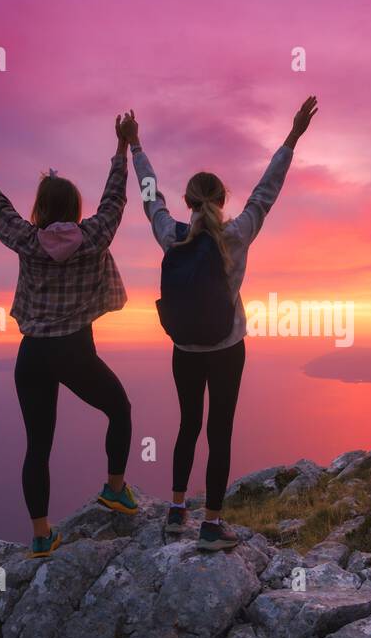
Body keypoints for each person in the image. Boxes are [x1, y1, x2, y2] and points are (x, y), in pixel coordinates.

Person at [121, 97, 318, 551]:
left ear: (188, 201)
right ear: (222, 200)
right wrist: (292, 137)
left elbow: (151, 197)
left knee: (187, 425)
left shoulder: (172, 236)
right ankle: (211, 524)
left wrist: (135, 147)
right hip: (227, 348)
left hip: (185, 350)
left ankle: (175, 512)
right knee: (219, 431)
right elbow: (267, 192)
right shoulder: (237, 234)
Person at [0, 117, 140, 559]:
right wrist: (122, 148)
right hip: (74, 351)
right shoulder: (94, 236)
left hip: (31, 355)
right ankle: (115, 489)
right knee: (119, 409)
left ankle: (41, 536)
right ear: (74, 206)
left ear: (41, 208)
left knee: (38, 446)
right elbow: (115, 198)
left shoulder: (25, 239)